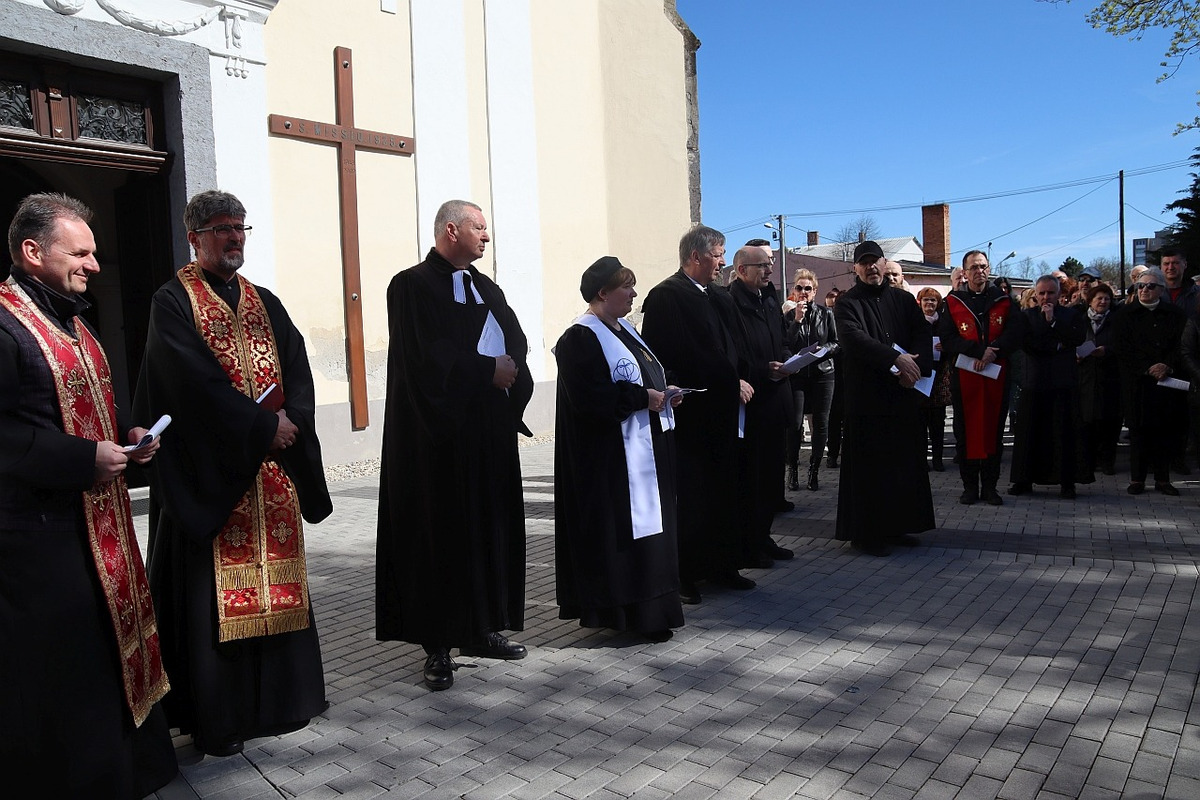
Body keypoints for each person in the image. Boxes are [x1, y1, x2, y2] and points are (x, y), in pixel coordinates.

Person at [135, 189, 333, 755]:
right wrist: (259, 428)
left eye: (240, 227)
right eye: (222, 228)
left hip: (269, 473)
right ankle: (219, 718)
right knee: (209, 604)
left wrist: (291, 420)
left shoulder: (265, 300)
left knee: (280, 587)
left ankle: (286, 703)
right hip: (211, 481)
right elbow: (190, 383)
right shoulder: (172, 302)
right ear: (195, 237)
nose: (234, 237)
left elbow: (296, 366)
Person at [1, 193, 176, 796]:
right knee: (68, 667)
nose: (94, 265)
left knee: (109, 649)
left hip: (100, 524)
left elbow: (88, 399)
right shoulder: (4, 324)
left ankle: (130, 769)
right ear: (32, 252)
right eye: (80, 253)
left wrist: (126, 435)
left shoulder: (72, 316)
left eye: (94, 253)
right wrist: (84, 458)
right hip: (40, 536)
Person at [376, 199, 534, 691]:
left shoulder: (486, 287)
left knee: (488, 530)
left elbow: (515, 338)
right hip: (436, 441)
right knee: (440, 537)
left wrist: (511, 372)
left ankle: (483, 627)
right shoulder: (411, 286)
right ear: (451, 230)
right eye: (478, 228)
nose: (486, 237)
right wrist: (486, 370)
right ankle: (438, 645)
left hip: (487, 436)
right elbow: (424, 356)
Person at [553, 257, 685, 642]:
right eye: (626, 286)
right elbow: (589, 398)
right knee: (626, 536)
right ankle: (629, 613)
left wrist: (666, 391)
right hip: (612, 461)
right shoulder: (580, 337)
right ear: (602, 293)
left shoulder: (625, 330)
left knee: (652, 533)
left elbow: (648, 374)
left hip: (645, 447)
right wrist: (642, 397)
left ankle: (653, 609)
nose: (634, 293)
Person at [641, 225, 751, 604]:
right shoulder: (666, 296)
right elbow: (658, 356)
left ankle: (722, 566)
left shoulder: (719, 297)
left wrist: (738, 377)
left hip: (722, 413)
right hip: (691, 415)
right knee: (691, 496)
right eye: (719, 254)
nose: (723, 262)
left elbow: (731, 346)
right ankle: (685, 574)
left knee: (724, 490)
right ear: (695, 257)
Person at [833, 241, 934, 556]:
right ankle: (867, 534)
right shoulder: (847, 303)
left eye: (875, 261)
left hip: (902, 395)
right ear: (856, 268)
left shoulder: (903, 300)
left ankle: (896, 526)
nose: (871, 267)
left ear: (884, 262)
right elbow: (854, 339)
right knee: (870, 471)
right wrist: (896, 359)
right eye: (864, 263)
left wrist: (916, 367)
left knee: (901, 466)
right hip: (867, 400)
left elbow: (922, 335)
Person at [725, 245, 795, 566]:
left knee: (770, 479)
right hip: (751, 401)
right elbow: (732, 353)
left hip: (776, 398)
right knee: (750, 480)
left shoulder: (769, 298)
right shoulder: (728, 303)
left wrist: (787, 360)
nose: (769, 271)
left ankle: (764, 538)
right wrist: (760, 369)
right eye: (763, 266)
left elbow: (780, 339)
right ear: (742, 271)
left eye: (770, 265)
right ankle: (747, 545)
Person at [937, 250, 1023, 506]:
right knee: (965, 432)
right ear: (965, 272)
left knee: (993, 432)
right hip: (965, 378)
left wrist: (994, 352)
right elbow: (947, 338)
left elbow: (1016, 333)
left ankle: (990, 487)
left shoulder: (1004, 300)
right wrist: (977, 350)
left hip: (996, 375)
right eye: (974, 267)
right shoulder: (953, 303)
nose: (979, 271)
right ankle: (969, 487)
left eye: (983, 266)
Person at [1008, 276, 1088, 498]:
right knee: (1029, 435)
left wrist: (1053, 323)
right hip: (1034, 383)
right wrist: (1056, 342)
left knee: (1063, 434)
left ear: (1058, 293)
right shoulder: (1026, 317)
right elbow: (1029, 344)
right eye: (1042, 293)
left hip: (1062, 383)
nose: (1046, 298)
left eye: (1050, 293)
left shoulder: (1071, 315)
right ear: (1036, 294)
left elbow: (1077, 338)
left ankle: (1067, 482)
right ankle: (1023, 481)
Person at [1113, 267, 1188, 496]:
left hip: (1166, 381)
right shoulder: (1125, 314)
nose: (1144, 290)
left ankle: (1163, 479)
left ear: (1161, 290)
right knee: (1138, 431)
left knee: (1164, 431)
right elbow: (1122, 348)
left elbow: (1181, 346)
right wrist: (1147, 368)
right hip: (1138, 381)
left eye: (1150, 286)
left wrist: (1166, 365)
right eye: (1140, 286)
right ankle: (1137, 479)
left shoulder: (1175, 314)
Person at [785, 268, 838, 490]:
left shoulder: (826, 314)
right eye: (799, 288)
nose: (803, 292)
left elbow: (835, 342)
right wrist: (796, 320)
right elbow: (785, 343)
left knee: (821, 423)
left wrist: (822, 351)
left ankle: (814, 469)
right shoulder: (788, 316)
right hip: (798, 375)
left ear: (815, 291)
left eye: (808, 288)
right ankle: (793, 469)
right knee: (795, 423)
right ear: (794, 291)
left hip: (822, 373)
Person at [1077, 283, 1122, 477]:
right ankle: (1088, 461)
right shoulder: (1080, 321)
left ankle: (1107, 461)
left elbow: (1122, 344)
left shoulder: (1117, 321)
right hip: (1085, 377)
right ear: (1090, 301)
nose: (1103, 302)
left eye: (1106, 299)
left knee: (1109, 422)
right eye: (1099, 299)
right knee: (1087, 422)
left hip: (1110, 378)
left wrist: (1107, 350)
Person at [917, 287, 951, 471]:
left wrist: (946, 347)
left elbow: (953, 343)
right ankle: (923, 459)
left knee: (938, 423)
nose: (929, 304)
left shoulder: (944, 323)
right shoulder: (915, 323)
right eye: (926, 300)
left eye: (933, 301)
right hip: (920, 377)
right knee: (920, 423)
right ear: (920, 303)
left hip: (939, 378)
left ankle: (938, 460)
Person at [824, 288, 845, 468]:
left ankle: (833, 454)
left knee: (837, 417)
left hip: (848, 375)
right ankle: (832, 454)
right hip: (835, 373)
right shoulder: (833, 320)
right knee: (835, 417)